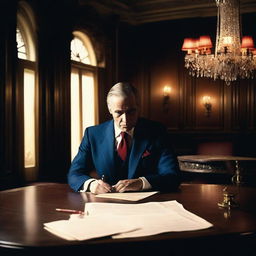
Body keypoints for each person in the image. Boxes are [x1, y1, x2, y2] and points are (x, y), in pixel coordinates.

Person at [68, 82, 180, 194]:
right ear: (110, 109)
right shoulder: (92, 134)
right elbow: (74, 174)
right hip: (105, 205)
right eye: (118, 112)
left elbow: (173, 176)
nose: (125, 119)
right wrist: (92, 185)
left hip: (146, 205)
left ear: (138, 107)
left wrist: (141, 183)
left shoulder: (157, 131)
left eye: (131, 112)